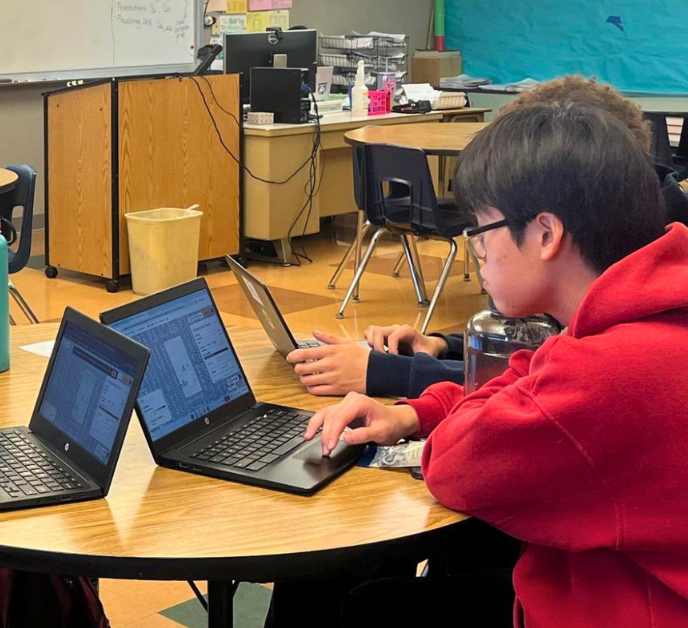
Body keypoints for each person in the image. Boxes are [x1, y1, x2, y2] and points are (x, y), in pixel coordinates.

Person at [301, 91, 688, 628]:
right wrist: (417, 413)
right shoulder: (643, 311)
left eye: (481, 231)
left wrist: (451, 415)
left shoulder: (608, 368)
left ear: (546, 234)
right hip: (617, 590)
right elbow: (524, 378)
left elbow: (454, 466)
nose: (476, 252)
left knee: (366, 607)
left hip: (623, 615)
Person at [292, 76, 688, 399]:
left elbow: (543, 385)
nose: (479, 247)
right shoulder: (640, 243)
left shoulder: (629, 337)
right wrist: (445, 346)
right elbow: (534, 349)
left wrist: (390, 373)